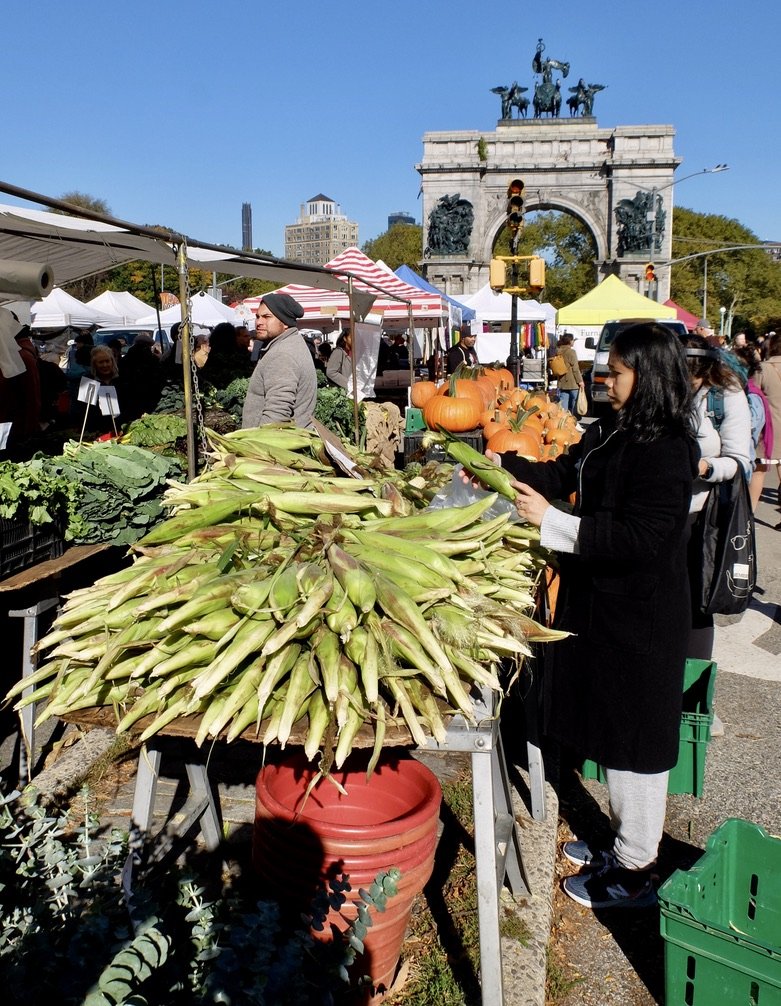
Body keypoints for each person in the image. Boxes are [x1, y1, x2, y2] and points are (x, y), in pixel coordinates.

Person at [473, 323, 698, 909]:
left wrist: (554, 522)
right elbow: (571, 471)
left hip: (642, 619)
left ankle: (635, 870)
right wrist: (506, 468)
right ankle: (621, 845)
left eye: (617, 372)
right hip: (604, 609)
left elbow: (643, 537)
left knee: (635, 746)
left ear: (647, 376)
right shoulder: (618, 432)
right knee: (613, 733)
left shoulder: (669, 449)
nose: (606, 380)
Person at [682, 333, 752, 660]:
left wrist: (704, 467)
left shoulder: (725, 395)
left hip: (701, 517)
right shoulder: (664, 389)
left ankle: (690, 687)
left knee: (696, 602)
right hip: (658, 511)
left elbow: (740, 461)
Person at [241, 293, 316, 429]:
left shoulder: (281, 355)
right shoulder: (292, 343)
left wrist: (257, 446)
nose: (259, 322)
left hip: (270, 444)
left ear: (285, 322)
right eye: (258, 316)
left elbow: (277, 414)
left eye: (267, 317)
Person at [755, 330, 781, 525]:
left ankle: (749, 514)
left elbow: (752, 395)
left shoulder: (763, 368)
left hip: (769, 428)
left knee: (759, 471)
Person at [552, 332, 583, 413]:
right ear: (569, 341)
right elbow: (575, 369)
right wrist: (580, 381)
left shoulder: (558, 351)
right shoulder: (571, 352)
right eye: (573, 340)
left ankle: (564, 420)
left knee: (563, 405)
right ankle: (573, 420)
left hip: (562, 382)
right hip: (572, 383)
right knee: (575, 403)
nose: (573, 342)